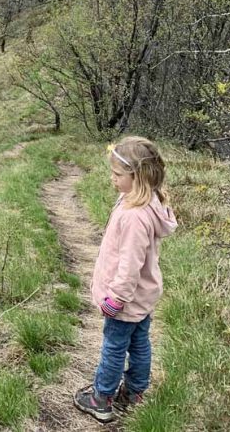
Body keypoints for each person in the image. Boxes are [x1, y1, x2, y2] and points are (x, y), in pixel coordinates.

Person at [74, 136, 178, 423]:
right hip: (143, 297)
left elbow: (130, 266)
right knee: (140, 342)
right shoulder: (146, 202)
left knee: (114, 346)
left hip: (126, 300)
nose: (112, 179)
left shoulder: (134, 216)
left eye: (118, 175)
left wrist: (116, 299)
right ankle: (134, 393)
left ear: (139, 177)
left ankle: (101, 398)